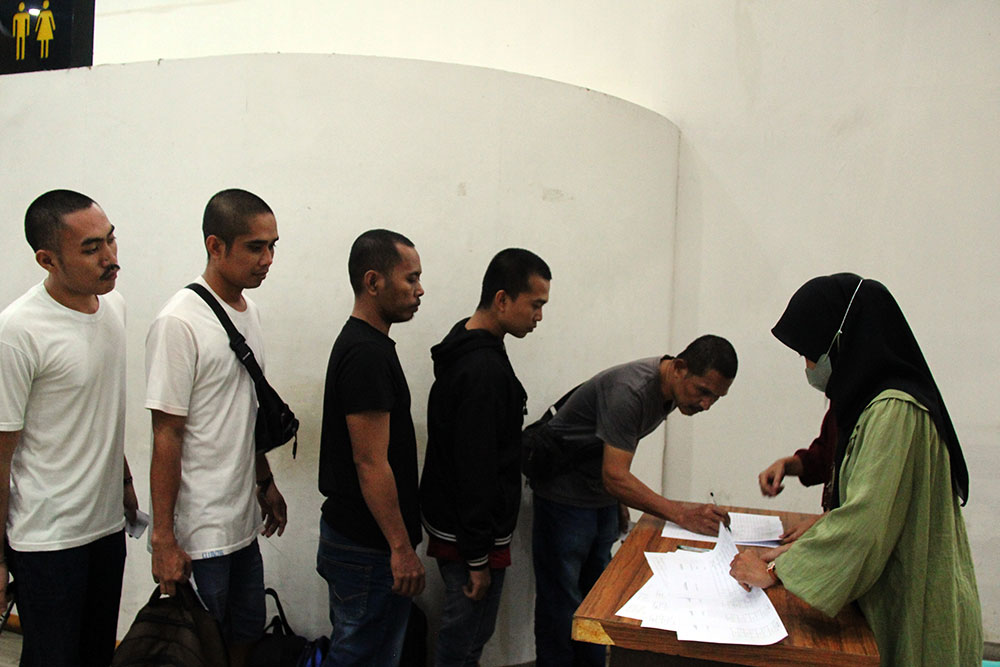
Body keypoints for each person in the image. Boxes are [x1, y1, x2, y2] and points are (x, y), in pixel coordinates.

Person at [730, 273, 982, 666]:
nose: (807, 366)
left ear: (840, 341)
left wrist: (777, 570)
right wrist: (793, 553)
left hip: (915, 602)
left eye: (810, 353)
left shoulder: (894, 410)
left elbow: (865, 521)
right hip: (893, 589)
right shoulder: (867, 401)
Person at [532, 335, 737, 667]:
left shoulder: (669, 392)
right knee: (562, 602)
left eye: (716, 397)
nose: (706, 404)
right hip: (564, 500)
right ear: (679, 368)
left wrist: (619, 499)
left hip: (598, 496)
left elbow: (614, 458)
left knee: (598, 603)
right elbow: (615, 475)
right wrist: (680, 513)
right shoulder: (632, 391)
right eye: (703, 391)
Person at [146, 189, 288, 667]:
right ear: (215, 246)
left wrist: (264, 481)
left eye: (273, 246)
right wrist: (163, 539)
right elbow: (166, 435)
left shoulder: (249, 312)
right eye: (255, 247)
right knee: (199, 650)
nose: (268, 259)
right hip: (198, 533)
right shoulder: (178, 322)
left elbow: (243, 410)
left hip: (242, 522)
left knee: (244, 635)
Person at [0, 189, 137, 665]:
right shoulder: (18, 332)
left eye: (111, 240)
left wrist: (123, 480)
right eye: (91, 248)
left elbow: (94, 409)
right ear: (47, 260)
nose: (110, 257)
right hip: (47, 540)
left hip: (105, 528)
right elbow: (1, 455)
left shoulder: (114, 308)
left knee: (96, 655)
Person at [420, 248, 551, 667]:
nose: (539, 317)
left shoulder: (469, 342)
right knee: (464, 641)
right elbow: (474, 469)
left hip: (461, 528)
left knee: (469, 638)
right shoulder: (482, 369)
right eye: (535, 304)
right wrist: (477, 559)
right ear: (502, 300)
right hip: (468, 537)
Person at [317, 229, 425, 666]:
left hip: (361, 543)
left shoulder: (370, 345)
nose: (420, 290)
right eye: (410, 278)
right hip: (368, 547)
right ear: (373, 281)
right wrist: (400, 548)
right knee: (362, 657)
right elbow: (370, 463)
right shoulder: (366, 354)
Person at [757, 407, 837, 541]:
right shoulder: (839, 406)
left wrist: (821, 522)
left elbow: (864, 504)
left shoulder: (872, 411)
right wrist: (786, 464)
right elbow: (824, 457)